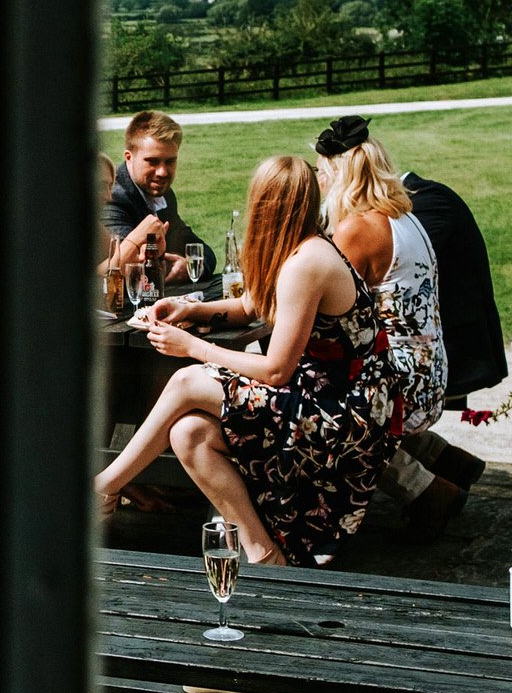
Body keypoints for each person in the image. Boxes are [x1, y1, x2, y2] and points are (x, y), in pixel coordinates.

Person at [94, 154, 394, 566]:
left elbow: (275, 370)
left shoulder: (308, 263)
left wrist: (193, 347)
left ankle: (104, 487)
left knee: (186, 382)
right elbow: (251, 305)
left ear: (267, 205)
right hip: (322, 395)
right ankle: (264, 552)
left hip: (343, 416)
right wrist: (190, 310)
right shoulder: (301, 247)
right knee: (188, 434)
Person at [313, 116, 462, 538]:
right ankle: (438, 458)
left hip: (401, 385)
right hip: (429, 372)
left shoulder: (358, 228)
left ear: (339, 176)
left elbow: (321, 298)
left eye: (322, 175)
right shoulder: (403, 215)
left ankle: (426, 489)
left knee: (308, 399)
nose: (320, 186)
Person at [399, 156, 505, 515]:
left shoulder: (425, 205)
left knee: (333, 406)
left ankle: (426, 489)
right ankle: (442, 456)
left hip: (452, 349)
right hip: (431, 346)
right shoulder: (419, 202)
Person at [104, 110, 216, 281]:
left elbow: (198, 248)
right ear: (129, 157)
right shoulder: (112, 199)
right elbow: (131, 267)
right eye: (152, 161)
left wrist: (191, 266)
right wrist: (179, 266)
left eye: (170, 161)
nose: (163, 172)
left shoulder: (164, 194)